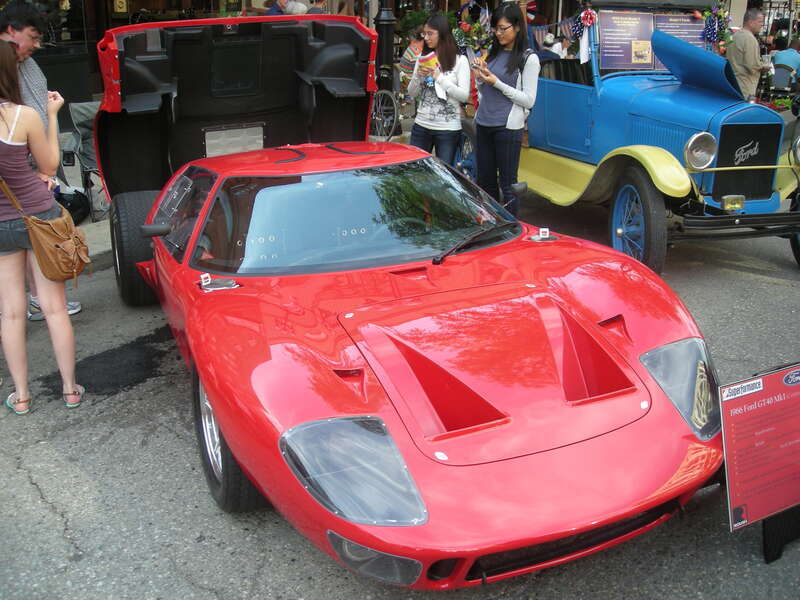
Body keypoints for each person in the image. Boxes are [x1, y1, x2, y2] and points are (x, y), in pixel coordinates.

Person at [0, 41, 83, 415]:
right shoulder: (22, 116)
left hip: (1, 224)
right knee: (54, 309)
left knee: (12, 313)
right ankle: (69, 389)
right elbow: (49, 167)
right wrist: (51, 114)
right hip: (40, 214)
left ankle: (21, 396)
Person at [0, 1, 81, 321]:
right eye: (32, 36)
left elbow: (35, 124)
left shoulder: (29, 67)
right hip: (14, 175)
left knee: (31, 238)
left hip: (29, 174)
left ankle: (32, 299)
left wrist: (41, 170)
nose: (36, 45)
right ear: (10, 31)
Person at [471, 2, 539, 216]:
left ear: (517, 27)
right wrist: (480, 77)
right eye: (495, 28)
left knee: (509, 185)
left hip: (507, 127)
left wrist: (496, 82)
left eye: (503, 28)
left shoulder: (529, 58)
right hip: (483, 122)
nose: (498, 33)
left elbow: (529, 100)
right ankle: (491, 228)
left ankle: (511, 232)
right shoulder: (493, 53)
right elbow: (485, 90)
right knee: (485, 182)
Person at [407, 14, 470, 166]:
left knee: (445, 174)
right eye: (424, 34)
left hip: (447, 129)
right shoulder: (423, 58)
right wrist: (418, 77)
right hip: (421, 125)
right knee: (414, 170)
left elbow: (463, 96)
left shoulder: (460, 61)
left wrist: (439, 77)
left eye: (430, 33)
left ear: (442, 33)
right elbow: (412, 93)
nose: (426, 38)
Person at [728, 8, 769, 100]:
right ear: (750, 22)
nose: (762, 25)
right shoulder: (749, 39)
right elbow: (752, 66)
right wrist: (764, 66)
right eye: (760, 21)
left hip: (733, 83)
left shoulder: (735, 36)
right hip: (745, 86)